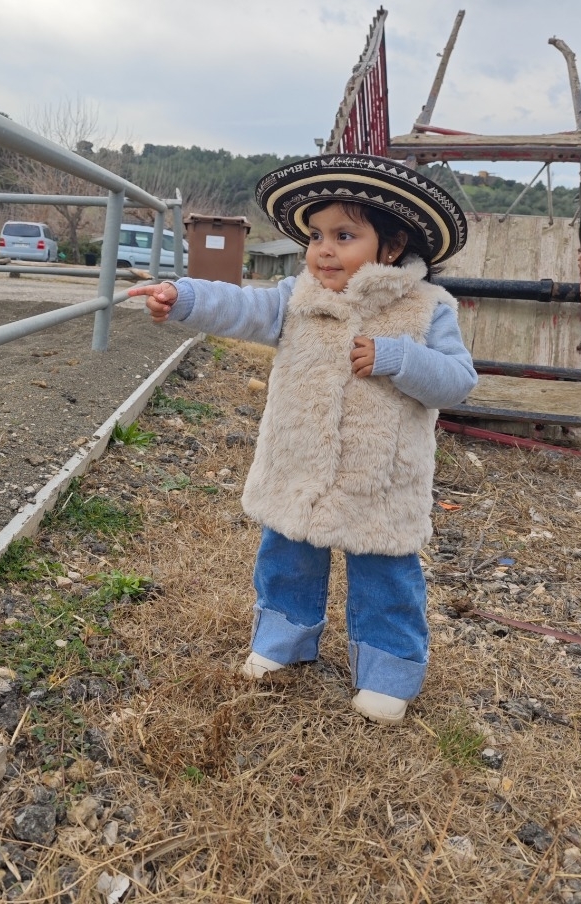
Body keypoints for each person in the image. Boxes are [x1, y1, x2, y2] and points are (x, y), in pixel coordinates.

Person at [128, 155, 477, 723]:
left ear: (392, 246)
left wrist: (399, 358)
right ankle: (283, 641)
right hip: (298, 461)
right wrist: (184, 296)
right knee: (286, 558)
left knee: (386, 575)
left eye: (344, 236)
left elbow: (458, 382)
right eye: (316, 236)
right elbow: (242, 306)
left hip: (380, 478)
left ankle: (389, 670)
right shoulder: (298, 298)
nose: (324, 251)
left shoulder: (426, 309)